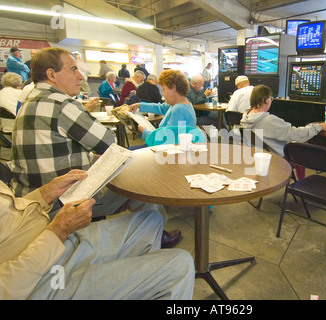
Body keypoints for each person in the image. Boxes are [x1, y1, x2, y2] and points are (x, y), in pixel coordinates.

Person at [8, 47, 181, 248]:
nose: (81, 76)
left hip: (29, 200)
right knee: (140, 182)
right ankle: (154, 236)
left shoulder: (30, 101)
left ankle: (149, 232)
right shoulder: (61, 104)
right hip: (62, 204)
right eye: (73, 69)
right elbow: (109, 142)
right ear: (51, 74)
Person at [0, 169, 195, 300]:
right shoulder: (65, 107)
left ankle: (130, 284)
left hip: (46, 242)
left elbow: (9, 218)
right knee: (181, 264)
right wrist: (59, 231)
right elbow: (104, 140)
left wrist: (44, 194)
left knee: (151, 220)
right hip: (40, 280)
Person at [240, 85, 326, 178]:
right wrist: (318, 127)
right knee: (302, 146)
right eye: (271, 98)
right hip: (277, 157)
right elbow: (295, 135)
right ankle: (302, 182)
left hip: (259, 156)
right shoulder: (268, 120)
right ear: (266, 100)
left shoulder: (246, 117)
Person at [129, 69, 196, 142]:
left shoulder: (179, 110)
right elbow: (160, 107)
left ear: (173, 88)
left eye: (164, 89)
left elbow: (168, 140)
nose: (163, 93)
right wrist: (139, 105)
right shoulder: (180, 103)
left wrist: (145, 132)